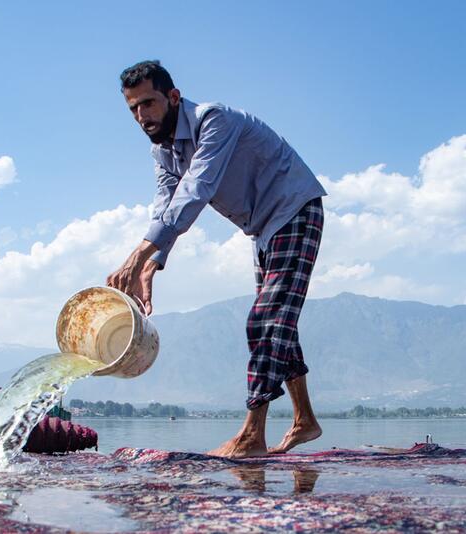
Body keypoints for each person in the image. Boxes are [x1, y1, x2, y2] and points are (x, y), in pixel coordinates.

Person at [107, 60, 326, 458]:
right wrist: (154, 263)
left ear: (173, 97)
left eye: (149, 104)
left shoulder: (215, 120)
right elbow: (165, 207)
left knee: (266, 321)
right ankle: (304, 421)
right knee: (280, 326)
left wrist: (138, 254)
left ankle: (251, 436)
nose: (142, 116)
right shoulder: (163, 151)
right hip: (264, 228)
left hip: (295, 208)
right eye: (134, 109)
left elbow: (197, 188)